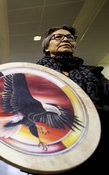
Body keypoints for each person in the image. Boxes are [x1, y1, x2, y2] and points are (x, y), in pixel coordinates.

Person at [36, 24, 109, 174]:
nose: (65, 39)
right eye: (58, 37)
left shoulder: (94, 73)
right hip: (51, 143)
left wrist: (92, 110)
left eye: (70, 37)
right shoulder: (36, 73)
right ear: (47, 47)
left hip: (93, 142)